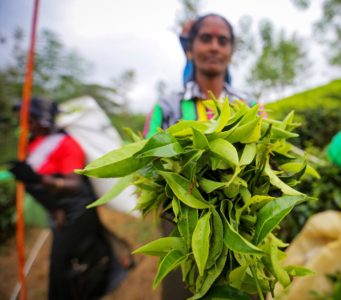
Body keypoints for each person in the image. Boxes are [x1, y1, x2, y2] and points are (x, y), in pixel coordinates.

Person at [143, 14, 256, 299]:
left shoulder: (249, 105)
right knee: (185, 288)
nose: (215, 47)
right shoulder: (167, 106)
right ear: (190, 48)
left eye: (223, 40)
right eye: (206, 38)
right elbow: (147, 164)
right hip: (181, 225)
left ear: (231, 52)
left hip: (242, 226)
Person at [9, 97, 131, 300]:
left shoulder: (66, 143)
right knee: (78, 260)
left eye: (29, 118)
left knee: (63, 269)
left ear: (43, 119)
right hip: (59, 212)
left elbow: (74, 184)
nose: (25, 123)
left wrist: (39, 179)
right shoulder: (34, 143)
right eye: (23, 119)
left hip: (76, 213)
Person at [179, 18, 232, 86]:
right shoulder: (191, 58)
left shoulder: (237, 96)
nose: (214, 48)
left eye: (222, 41)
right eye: (205, 39)